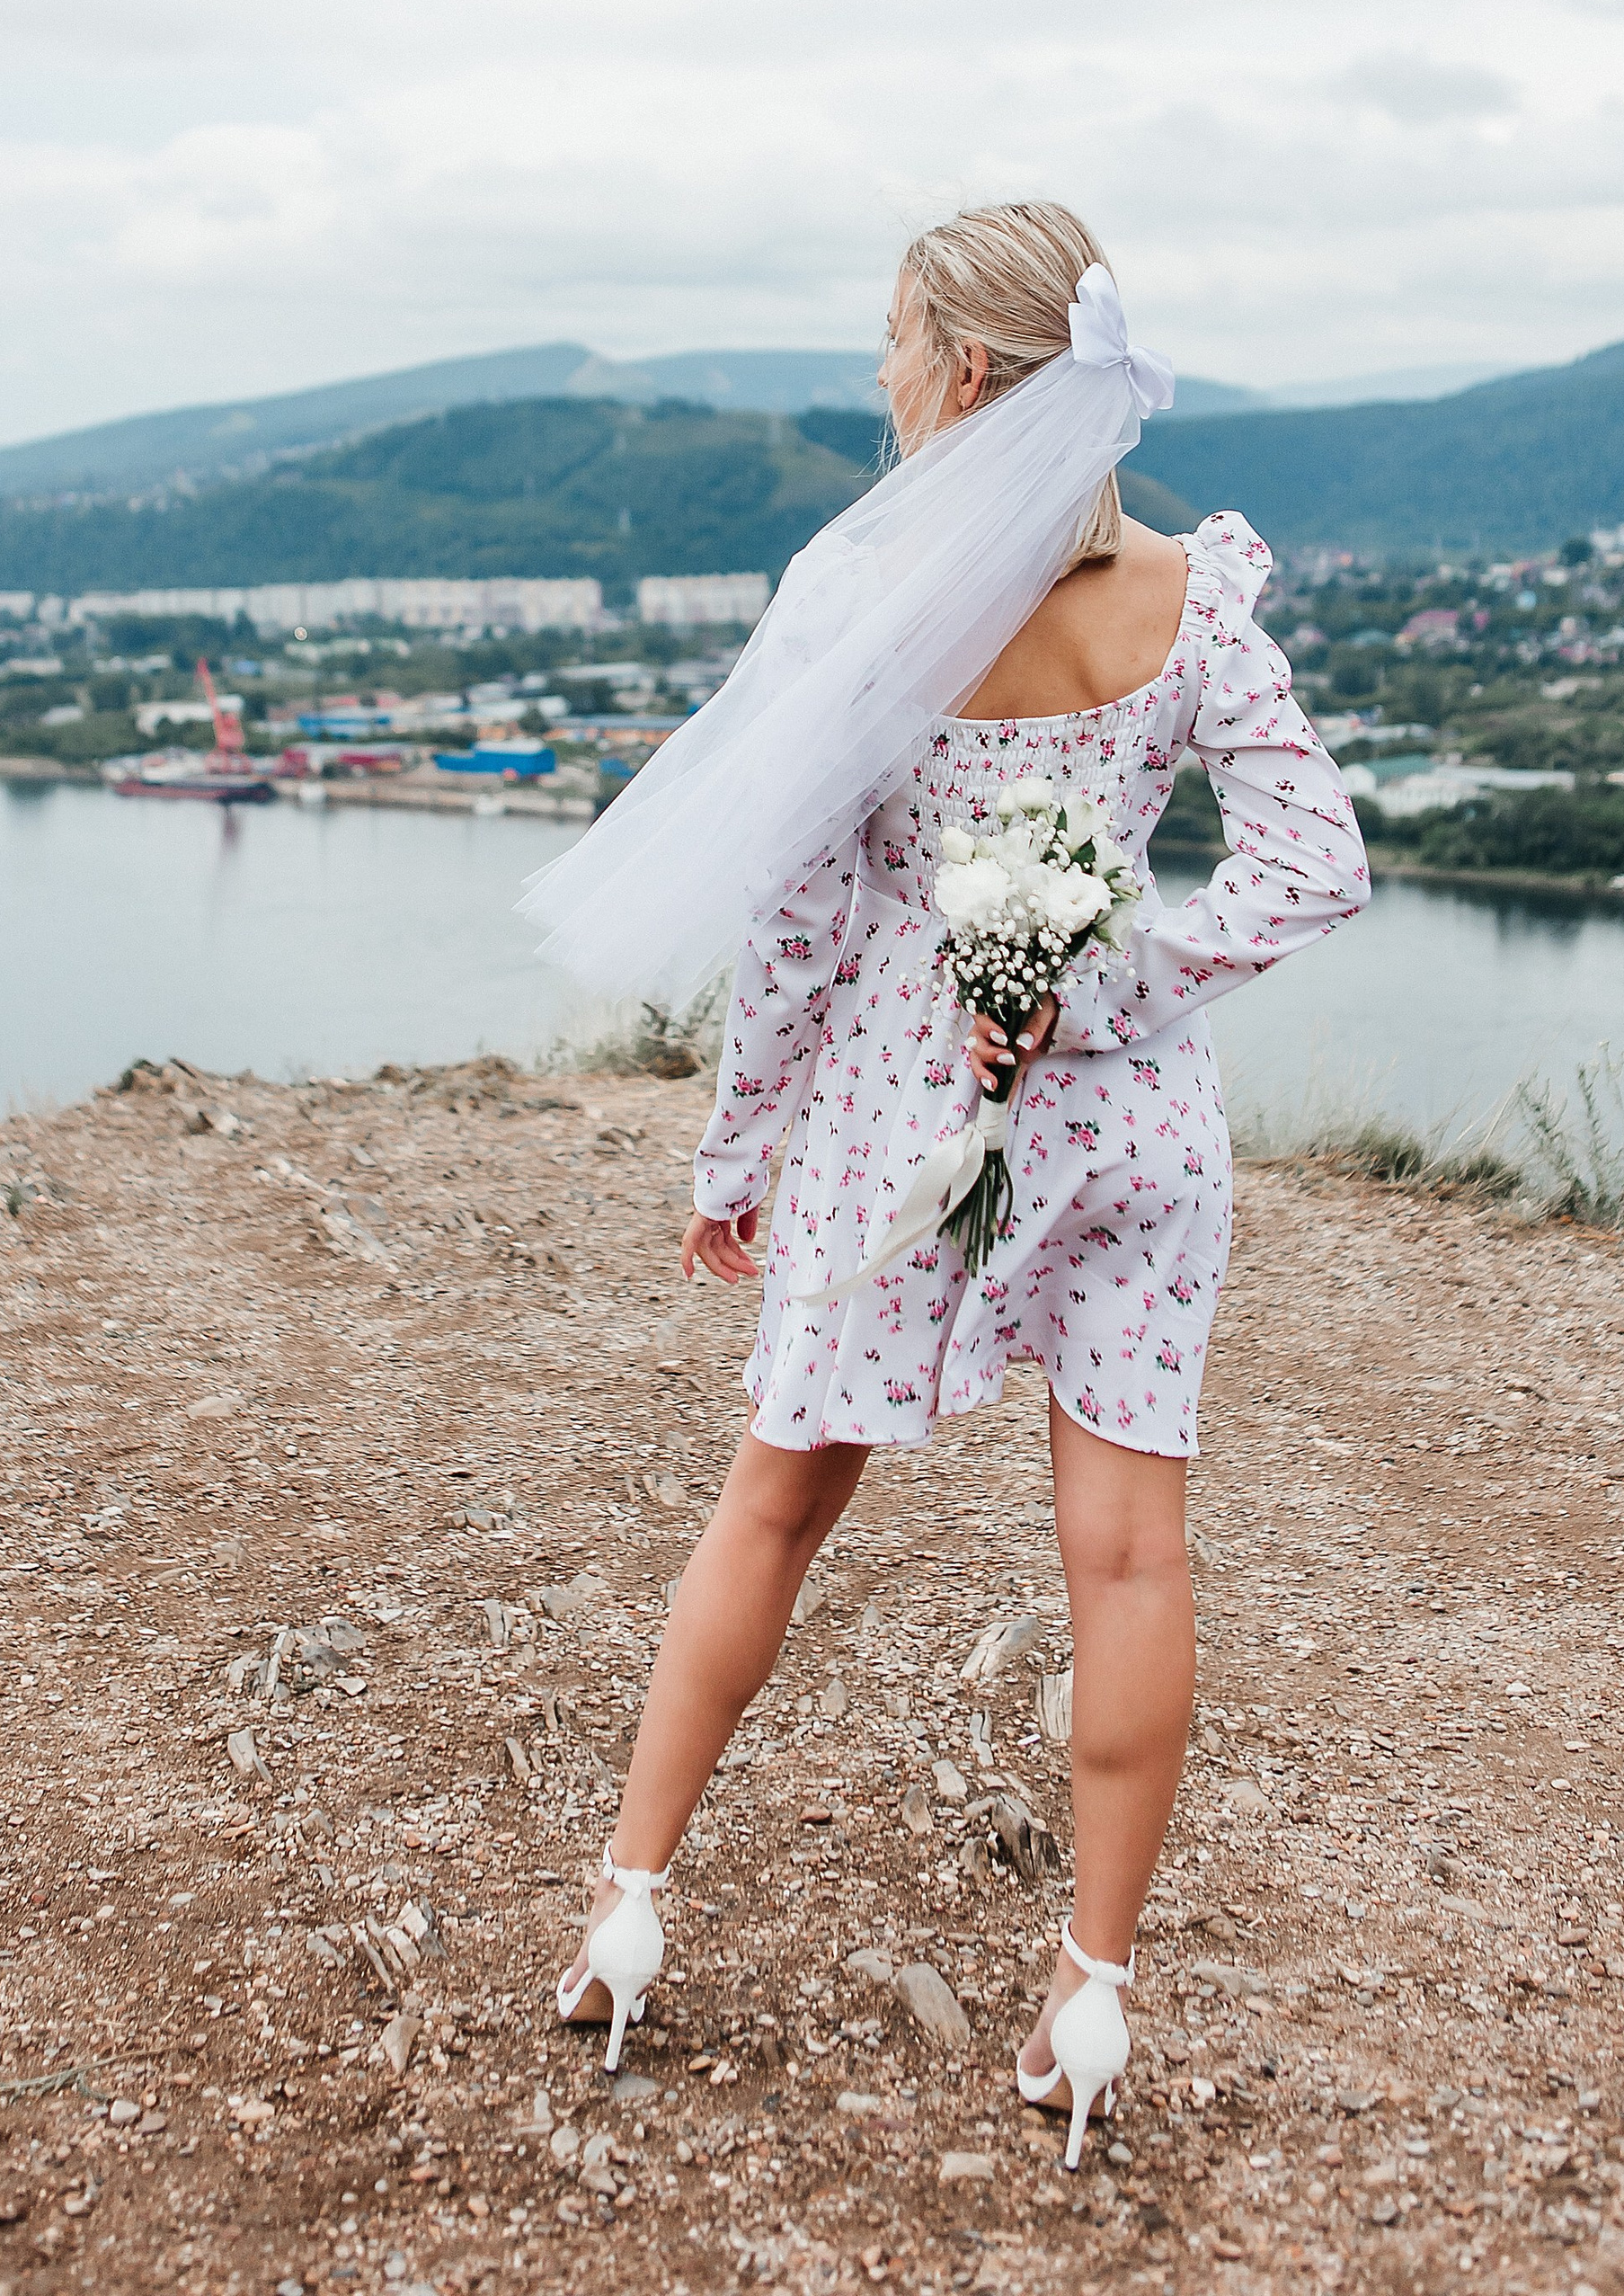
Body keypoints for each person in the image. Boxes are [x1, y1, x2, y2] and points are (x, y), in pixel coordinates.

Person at [537, 199, 1370, 2163]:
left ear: (968, 376)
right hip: (1134, 1134)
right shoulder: (1191, 597)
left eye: (891, 346)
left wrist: (733, 1157)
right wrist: (1117, 985)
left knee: (770, 1512)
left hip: (903, 1132)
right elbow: (1310, 862)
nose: (875, 379)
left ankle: (629, 1913)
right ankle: (1087, 1995)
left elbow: (801, 932)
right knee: (1131, 1560)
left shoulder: (867, 613)